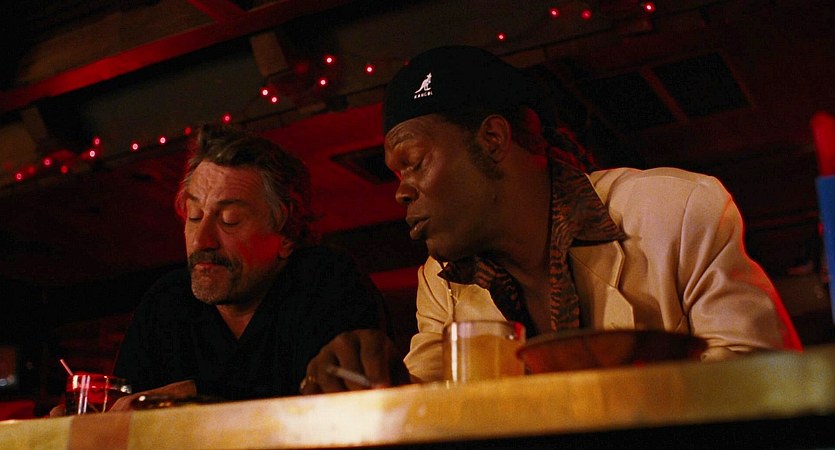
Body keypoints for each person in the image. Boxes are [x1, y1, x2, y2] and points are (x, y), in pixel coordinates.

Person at [377, 45, 803, 383]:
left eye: (414, 163)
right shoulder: (441, 283)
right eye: (397, 174)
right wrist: (371, 381)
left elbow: (759, 385)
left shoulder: (674, 211)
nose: (401, 191)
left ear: (492, 138)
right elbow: (423, 410)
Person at [50, 124, 398, 415]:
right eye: (194, 216)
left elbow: (333, 410)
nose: (202, 240)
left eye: (229, 219)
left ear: (286, 235)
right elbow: (124, 414)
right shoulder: (166, 301)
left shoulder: (325, 279)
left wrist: (197, 395)